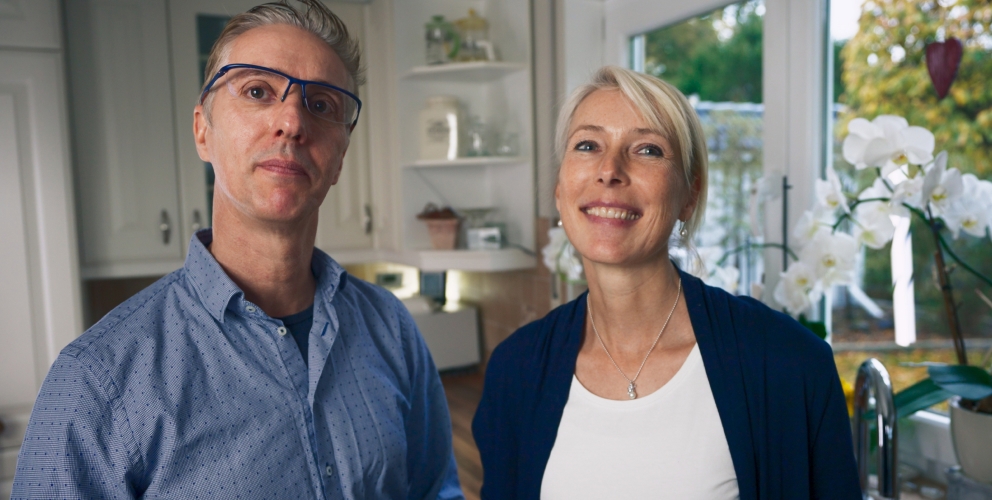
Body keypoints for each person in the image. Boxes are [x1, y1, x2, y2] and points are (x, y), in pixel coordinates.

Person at [12, 2, 462, 499]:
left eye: (321, 105)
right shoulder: (98, 381)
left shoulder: (390, 328)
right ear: (203, 131)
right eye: (257, 91)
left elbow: (434, 490)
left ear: (339, 158)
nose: (292, 121)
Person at [472, 66, 860, 499]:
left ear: (688, 195)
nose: (609, 170)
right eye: (587, 145)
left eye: (648, 150)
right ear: (560, 190)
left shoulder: (788, 363)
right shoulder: (515, 370)